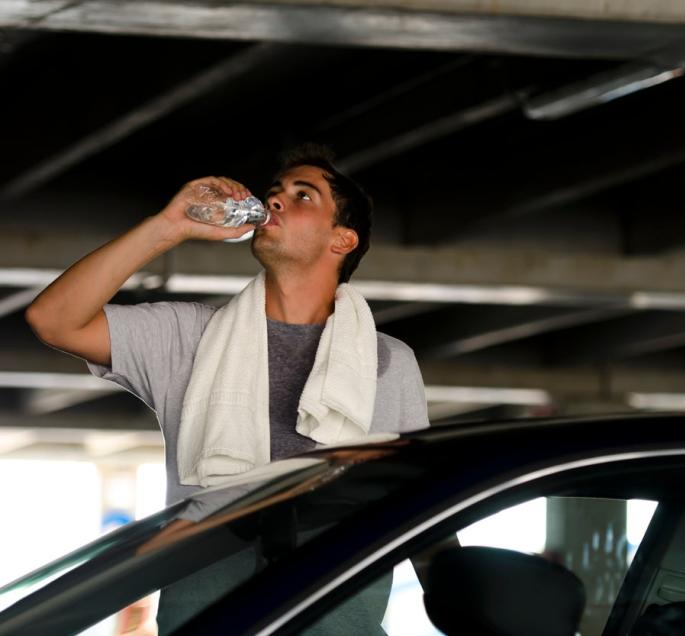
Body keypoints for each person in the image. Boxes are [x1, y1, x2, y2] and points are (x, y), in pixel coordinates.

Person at [25, 143, 430, 633]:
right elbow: (53, 320)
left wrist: (459, 599)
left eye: (304, 196)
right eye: (275, 192)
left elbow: (417, 499)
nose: (275, 200)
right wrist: (169, 225)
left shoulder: (390, 362)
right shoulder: (187, 337)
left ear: (342, 240)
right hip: (208, 613)